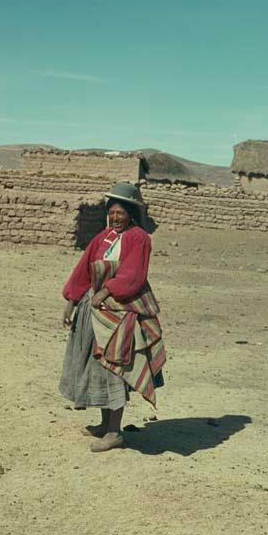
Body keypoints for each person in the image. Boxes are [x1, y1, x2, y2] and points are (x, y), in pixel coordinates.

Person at [59, 182, 165, 452]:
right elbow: (84, 268)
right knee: (97, 366)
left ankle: (115, 431)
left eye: (121, 212)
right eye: (112, 212)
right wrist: (72, 301)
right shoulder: (103, 237)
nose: (115, 217)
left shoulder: (139, 238)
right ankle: (105, 426)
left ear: (131, 213)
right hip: (94, 311)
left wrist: (107, 291)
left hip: (121, 313)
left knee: (114, 367)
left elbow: (133, 275)